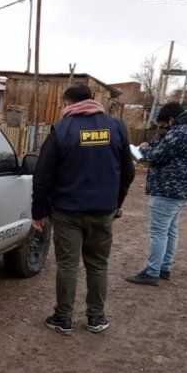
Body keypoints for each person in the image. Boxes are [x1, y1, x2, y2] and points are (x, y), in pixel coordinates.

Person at [32, 84, 135, 335]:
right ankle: (96, 318)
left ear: (67, 104)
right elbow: (128, 172)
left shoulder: (61, 130)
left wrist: (38, 212)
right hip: (103, 211)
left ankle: (63, 318)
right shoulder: (117, 128)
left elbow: (42, 176)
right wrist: (115, 203)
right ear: (92, 101)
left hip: (68, 212)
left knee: (67, 266)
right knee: (98, 265)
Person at [126, 102, 187, 286]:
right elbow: (167, 146)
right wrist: (151, 145)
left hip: (168, 190)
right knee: (170, 231)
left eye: (166, 123)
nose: (167, 126)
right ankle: (164, 268)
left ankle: (152, 272)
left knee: (159, 232)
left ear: (171, 119)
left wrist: (140, 150)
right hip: (182, 190)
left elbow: (157, 157)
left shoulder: (180, 132)